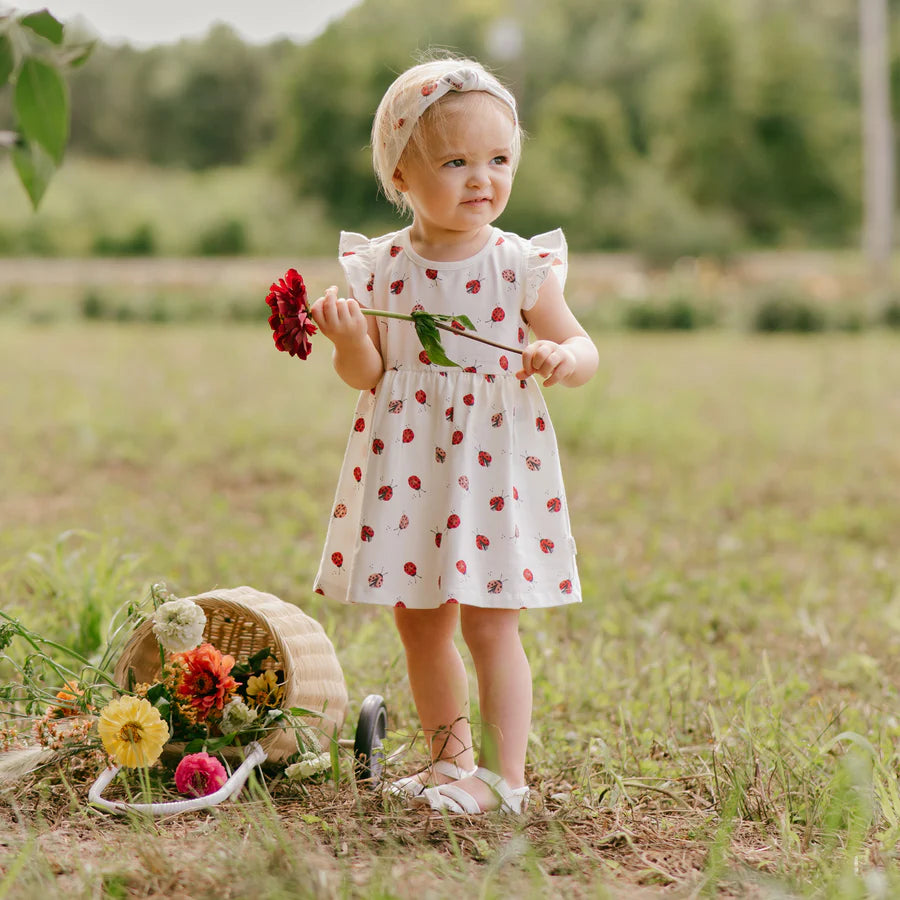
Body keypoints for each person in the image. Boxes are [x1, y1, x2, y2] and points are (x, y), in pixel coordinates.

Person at [309, 55, 599, 815]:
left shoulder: (520, 265)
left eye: (499, 160)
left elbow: (585, 347)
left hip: (492, 464)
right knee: (420, 621)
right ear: (401, 175)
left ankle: (507, 779)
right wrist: (345, 340)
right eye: (456, 161)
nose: (483, 179)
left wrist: (560, 357)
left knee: (490, 621)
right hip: (410, 463)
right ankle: (450, 763)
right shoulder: (380, 269)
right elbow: (370, 374)